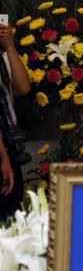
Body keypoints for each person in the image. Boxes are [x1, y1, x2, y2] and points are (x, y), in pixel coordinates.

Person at [0, 20, 31, 215]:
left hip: (10, 149)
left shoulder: (4, 59)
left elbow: (23, 87)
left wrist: (10, 47)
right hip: (3, 153)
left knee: (10, 213)